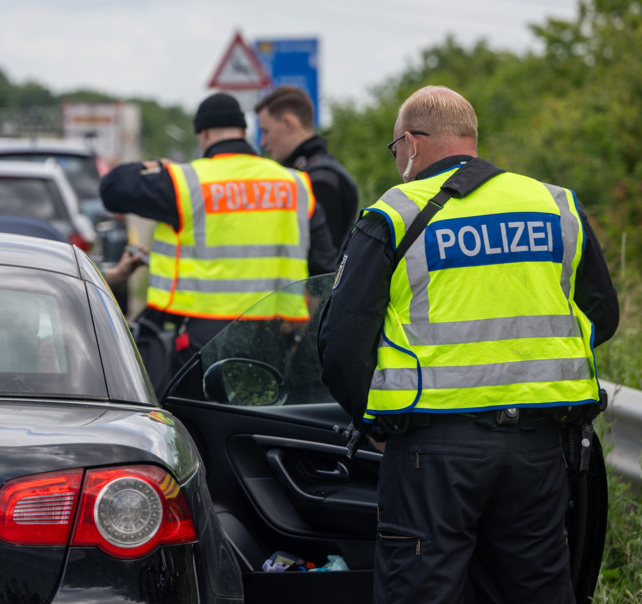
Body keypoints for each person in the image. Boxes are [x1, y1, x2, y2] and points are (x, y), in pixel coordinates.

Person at [317, 85, 620, 603]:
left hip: (432, 453)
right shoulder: (555, 204)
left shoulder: (396, 212)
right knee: (535, 590)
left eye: (395, 151)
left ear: (411, 144)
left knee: (422, 591)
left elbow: (341, 343)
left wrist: (374, 423)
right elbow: (601, 316)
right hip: (538, 450)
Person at [101, 92, 337, 392]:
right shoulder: (294, 184)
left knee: (196, 427)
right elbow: (325, 267)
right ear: (243, 131)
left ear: (204, 134)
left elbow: (111, 187)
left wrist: (157, 165)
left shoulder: (186, 182)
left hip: (201, 340)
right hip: (272, 336)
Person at [256, 85, 359, 246]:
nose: (262, 142)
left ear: (288, 123)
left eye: (265, 131)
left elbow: (326, 260)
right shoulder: (311, 172)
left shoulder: (320, 180)